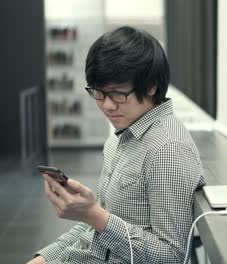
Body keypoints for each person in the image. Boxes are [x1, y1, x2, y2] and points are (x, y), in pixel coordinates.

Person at [27, 26, 205, 264]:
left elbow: (172, 256)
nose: (107, 106)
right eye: (99, 93)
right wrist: (44, 258)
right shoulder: (121, 137)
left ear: (151, 86)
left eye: (118, 94)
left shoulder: (168, 150)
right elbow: (94, 227)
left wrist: (95, 215)